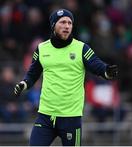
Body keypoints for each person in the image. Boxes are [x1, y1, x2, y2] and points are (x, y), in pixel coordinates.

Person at [14, 9, 118, 146]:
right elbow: (33, 73)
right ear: (53, 25)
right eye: (62, 22)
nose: (67, 26)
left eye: (69, 23)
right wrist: (24, 84)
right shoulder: (41, 49)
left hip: (71, 118)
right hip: (46, 116)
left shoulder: (82, 48)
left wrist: (107, 71)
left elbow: (97, 65)